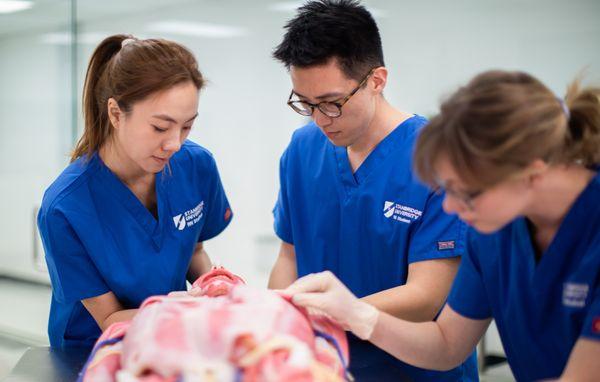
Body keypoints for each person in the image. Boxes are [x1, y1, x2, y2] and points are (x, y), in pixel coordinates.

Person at [283, 70, 600, 381]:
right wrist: (358, 316)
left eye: (467, 192)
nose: (450, 207)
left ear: (532, 172)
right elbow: (447, 344)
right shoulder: (492, 235)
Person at [268, 0, 478, 380]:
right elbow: (289, 257)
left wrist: (334, 313)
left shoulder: (436, 158)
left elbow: (427, 295)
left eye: (332, 103)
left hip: (417, 368)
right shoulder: (301, 150)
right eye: (305, 103)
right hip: (328, 367)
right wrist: (278, 318)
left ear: (377, 80)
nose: (319, 119)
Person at [38, 34, 233, 348]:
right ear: (116, 114)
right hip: (96, 350)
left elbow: (193, 251)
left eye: (186, 126)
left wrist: (216, 290)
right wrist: (187, 310)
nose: (174, 144)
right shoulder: (65, 207)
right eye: (160, 127)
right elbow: (109, 319)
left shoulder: (196, 166)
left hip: (173, 340)